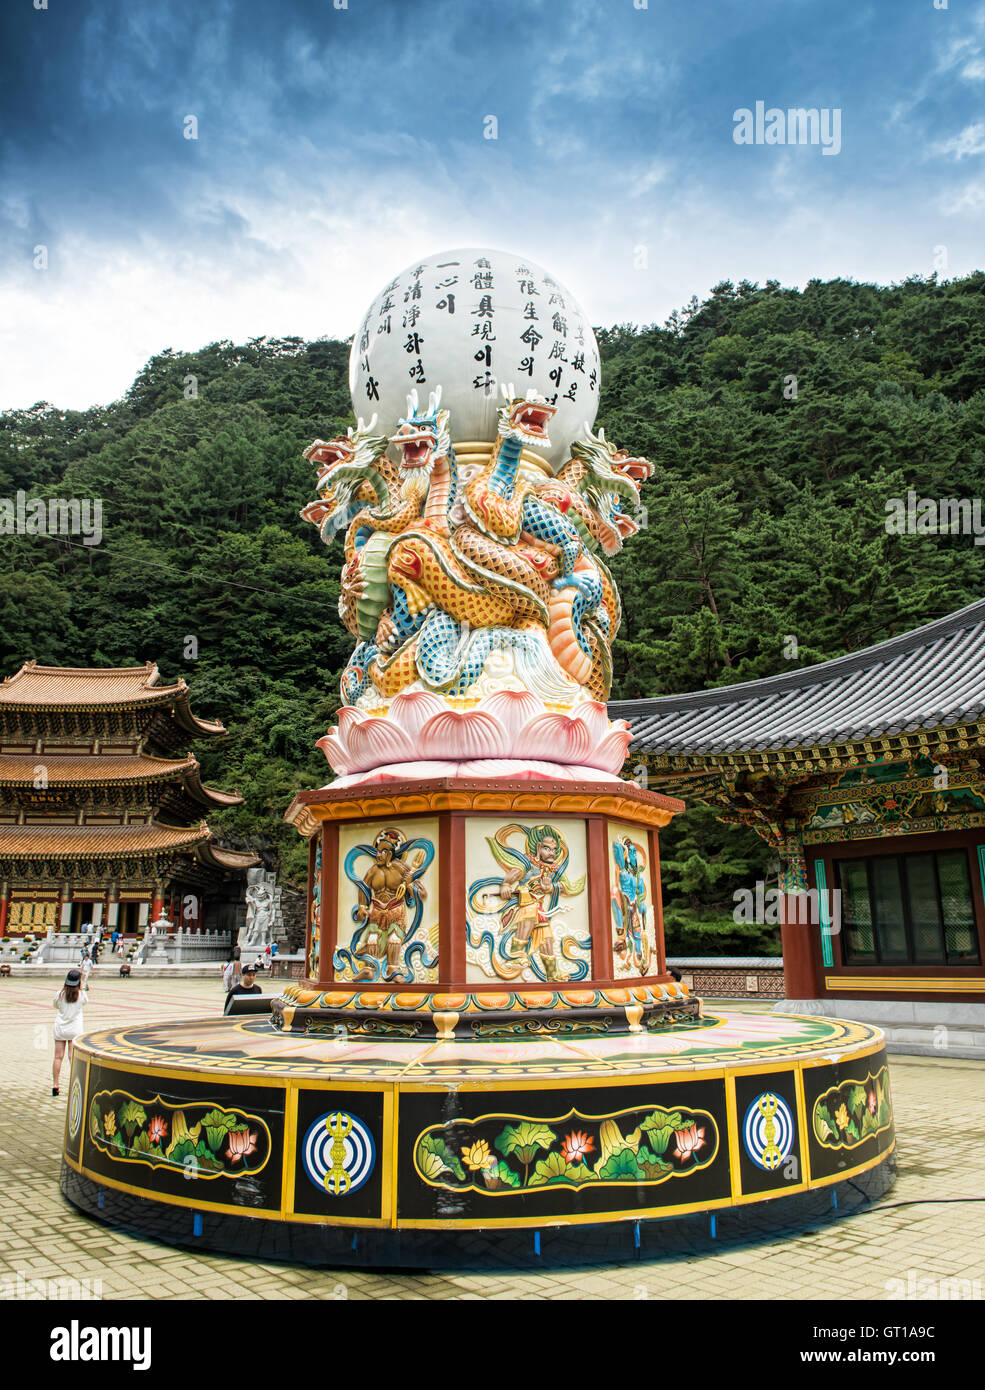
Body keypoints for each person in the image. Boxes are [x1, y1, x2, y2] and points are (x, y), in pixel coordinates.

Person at [51, 968, 87, 1095]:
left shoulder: (59, 994)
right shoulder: (81, 995)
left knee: (58, 1057)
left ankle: (55, 1085)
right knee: (73, 1058)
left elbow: (55, 1005)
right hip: (74, 1029)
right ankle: (75, 1084)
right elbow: (85, 1003)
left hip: (60, 1028)